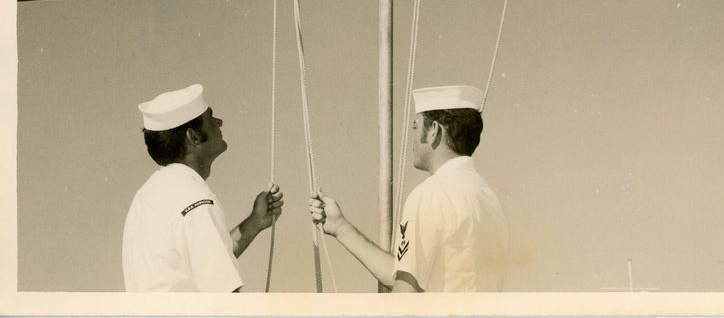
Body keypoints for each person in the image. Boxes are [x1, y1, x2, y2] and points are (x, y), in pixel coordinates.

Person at [309, 84, 509, 292]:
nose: (412, 138)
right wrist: (340, 226)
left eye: (416, 126)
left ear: (434, 131)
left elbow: (405, 296)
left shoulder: (430, 194)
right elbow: (406, 272)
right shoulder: (490, 201)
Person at [122, 83, 283, 292]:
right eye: (210, 118)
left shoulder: (150, 194)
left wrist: (254, 223)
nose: (219, 122)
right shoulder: (193, 198)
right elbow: (224, 294)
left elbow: (201, 262)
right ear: (194, 137)